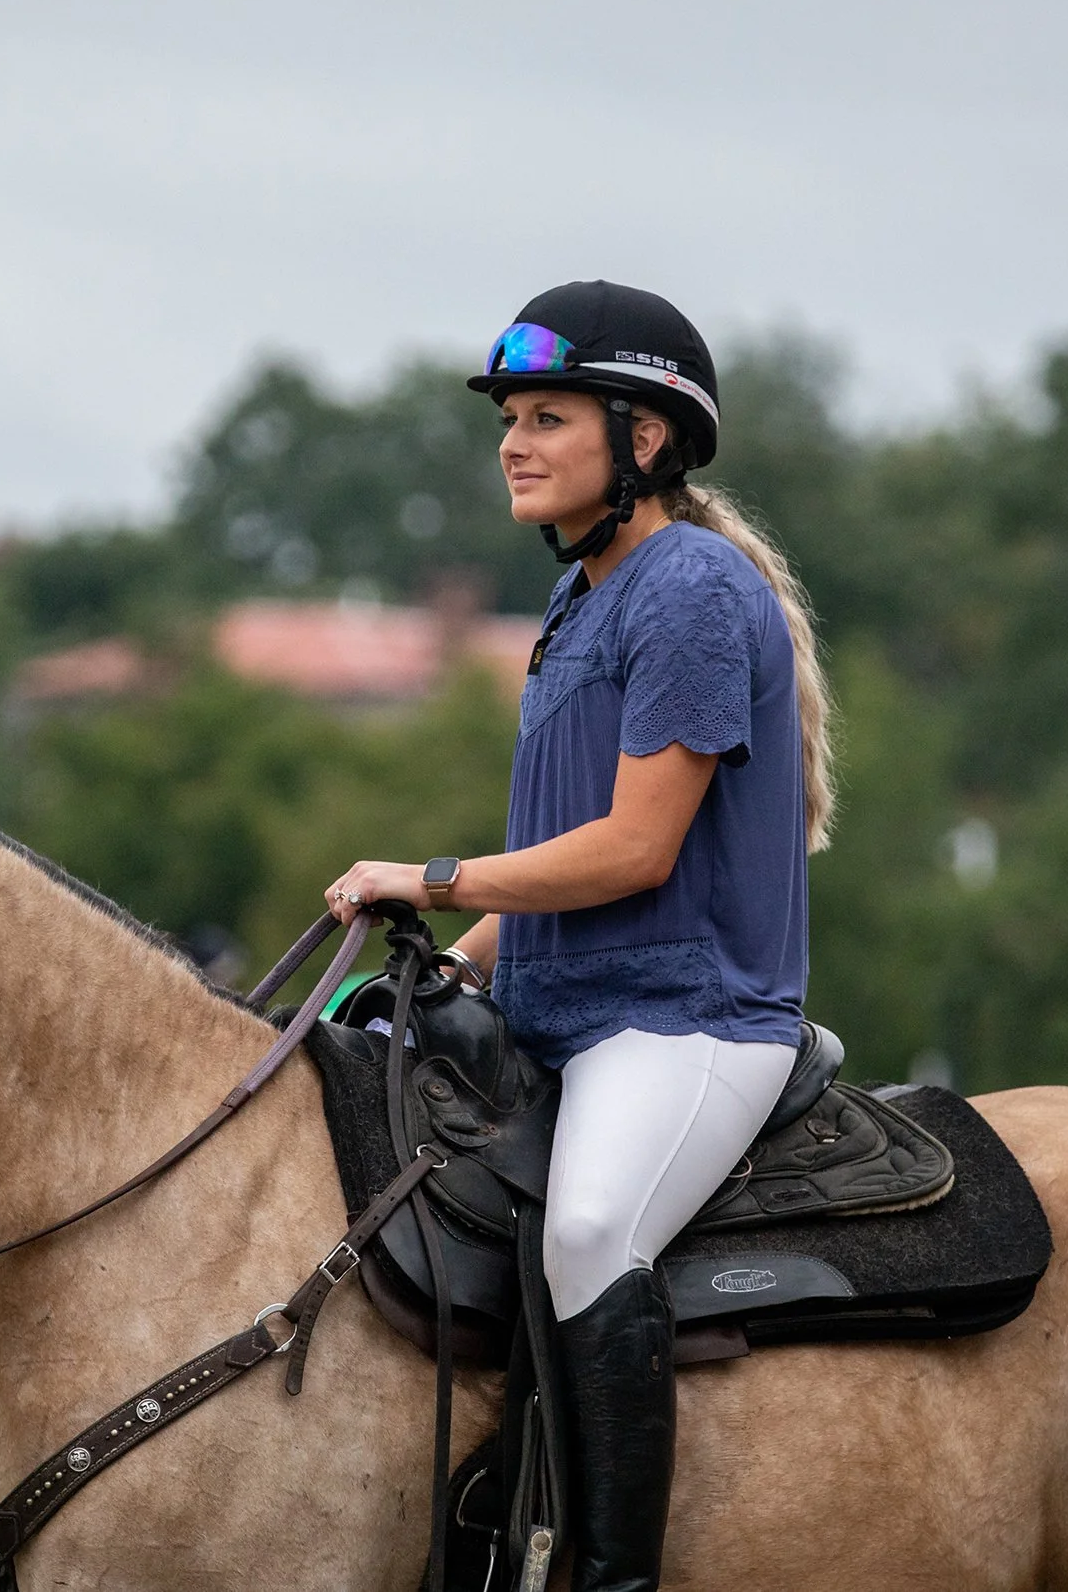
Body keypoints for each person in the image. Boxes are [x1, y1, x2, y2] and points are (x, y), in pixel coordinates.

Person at [326, 281, 833, 1592]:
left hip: (686, 1024)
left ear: (645, 441)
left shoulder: (691, 589)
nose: (515, 440)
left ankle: (609, 1582)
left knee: (592, 1231)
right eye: (510, 417)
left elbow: (635, 849)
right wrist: (443, 960)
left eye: (549, 415)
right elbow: (563, 866)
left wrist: (427, 872)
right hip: (561, 1015)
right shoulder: (573, 608)